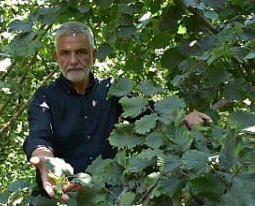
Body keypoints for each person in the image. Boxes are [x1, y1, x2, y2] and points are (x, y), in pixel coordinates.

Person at [23, 21, 213, 201]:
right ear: (56, 57)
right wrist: (44, 158)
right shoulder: (45, 98)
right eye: (65, 53)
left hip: (109, 197)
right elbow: (39, 134)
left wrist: (184, 119)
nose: (73, 61)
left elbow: (152, 114)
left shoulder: (111, 91)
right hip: (61, 196)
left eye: (81, 52)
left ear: (93, 54)